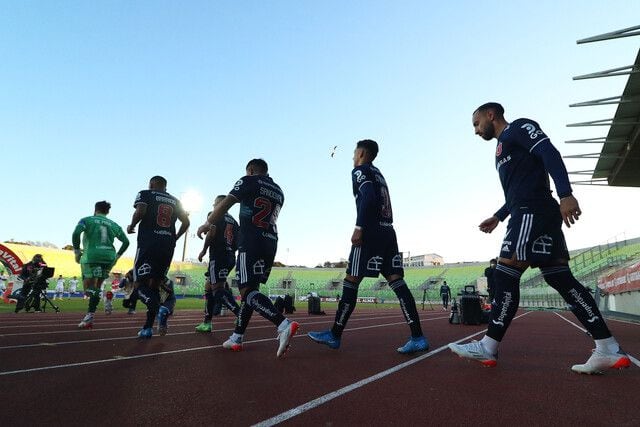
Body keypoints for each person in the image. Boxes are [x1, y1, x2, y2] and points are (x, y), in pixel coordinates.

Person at [449, 102, 630, 374]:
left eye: (476, 124)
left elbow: (549, 152)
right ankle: (607, 346)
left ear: (491, 115)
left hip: (532, 212)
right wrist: (499, 216)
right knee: (560, 278)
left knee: (505, 273)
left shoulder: (519, 127)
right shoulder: (500, 151)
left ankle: (488, 346)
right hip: (531, 211)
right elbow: (517, 190)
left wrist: (565, 194)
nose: (475, 131)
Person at [307, 140, 428, 354]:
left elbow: (369, 198)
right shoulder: (379, 173)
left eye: (354, 152)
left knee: (351, 280)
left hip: (370, 232)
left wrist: (359, 227)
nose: (353, 157)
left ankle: (334, 334)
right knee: (397, 281)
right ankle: (418, 336)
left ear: (362, 153)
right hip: (388, 232)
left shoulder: (360, 170)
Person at [196, 159, 299, 357]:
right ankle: (237, 336)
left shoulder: (248, 181)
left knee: (247, 291)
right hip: (270, 241)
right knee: (251, 292)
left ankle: (283, 324)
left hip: (251, 240)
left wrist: (207, 222)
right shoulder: (279, 191)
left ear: (251, 170)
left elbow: (226, 202)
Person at [127, 176, 189, 338]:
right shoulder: (175, 201)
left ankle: (149, 324)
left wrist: (132, 225)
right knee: (155, 284)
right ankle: (148, 326)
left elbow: (140, 211)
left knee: (139, 283)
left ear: (152, 184)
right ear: (165, 187)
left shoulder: (146, 194)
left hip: (148, 243)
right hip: (167, 245)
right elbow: (186, 222)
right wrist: (175, 237)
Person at [73, 201, 130, 328]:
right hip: (109, 258)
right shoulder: (113, 224)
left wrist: (77, 252)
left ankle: (103, 298)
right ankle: (90, 317)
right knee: (97, 288)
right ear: (107, 212)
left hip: (91, 257)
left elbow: (76, 233)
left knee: (88, 291)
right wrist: (117, 257)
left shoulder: (86, 220)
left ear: (95, 209)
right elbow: (126, 242)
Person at [195, 195, 241, 333]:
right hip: (230, 256)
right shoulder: (234, 221)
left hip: (218, 256)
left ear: (221, 204)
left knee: (217, 290)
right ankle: (207, 322)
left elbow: (211, 233)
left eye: (215, 204)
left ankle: (240, 313)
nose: (214, 207)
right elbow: (238, 242)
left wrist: (203, 250)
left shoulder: (215, 215)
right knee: (209, 288)